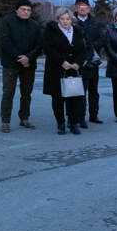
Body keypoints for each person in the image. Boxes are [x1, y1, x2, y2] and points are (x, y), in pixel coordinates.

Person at [42, 7, 89, 135]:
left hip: (73, 70)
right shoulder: (51, 31)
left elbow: (83, 51)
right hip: (56, 69)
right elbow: (48, 49)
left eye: (67, 19)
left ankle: (74, 123)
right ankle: (61, 124)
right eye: (62, 19)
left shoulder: (78, 32)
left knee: (74, 99)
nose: (65, 21)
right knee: (57, 98)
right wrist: (62, 62)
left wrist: (78, 64)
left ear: (71, 20)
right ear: (58, 19)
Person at [0, 0, 42, 133]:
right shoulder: (6, 22)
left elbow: (39, 45)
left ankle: (24, 118)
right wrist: (20, 58)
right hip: (11, 63)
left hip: (29, 64)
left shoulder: (35, 25)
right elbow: (5, 41)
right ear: (17, 10)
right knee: (8, 93)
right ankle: (5, 121)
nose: (26, 12)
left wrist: (28, 57)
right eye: (23, 9)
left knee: (26, 93)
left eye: (28, 10)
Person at [74, 0, 105, 126]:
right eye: (80, 6)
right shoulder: (72, 22)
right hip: (80, 62)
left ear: (89, 8)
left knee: (94, 90)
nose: (83, 9)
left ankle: (94, 115)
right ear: (76, 8)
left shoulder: (94, 23)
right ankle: (81, 117)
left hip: (93, 61)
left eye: (86, 6)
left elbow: (102, 38)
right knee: (81, 91)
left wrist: (91, 46)